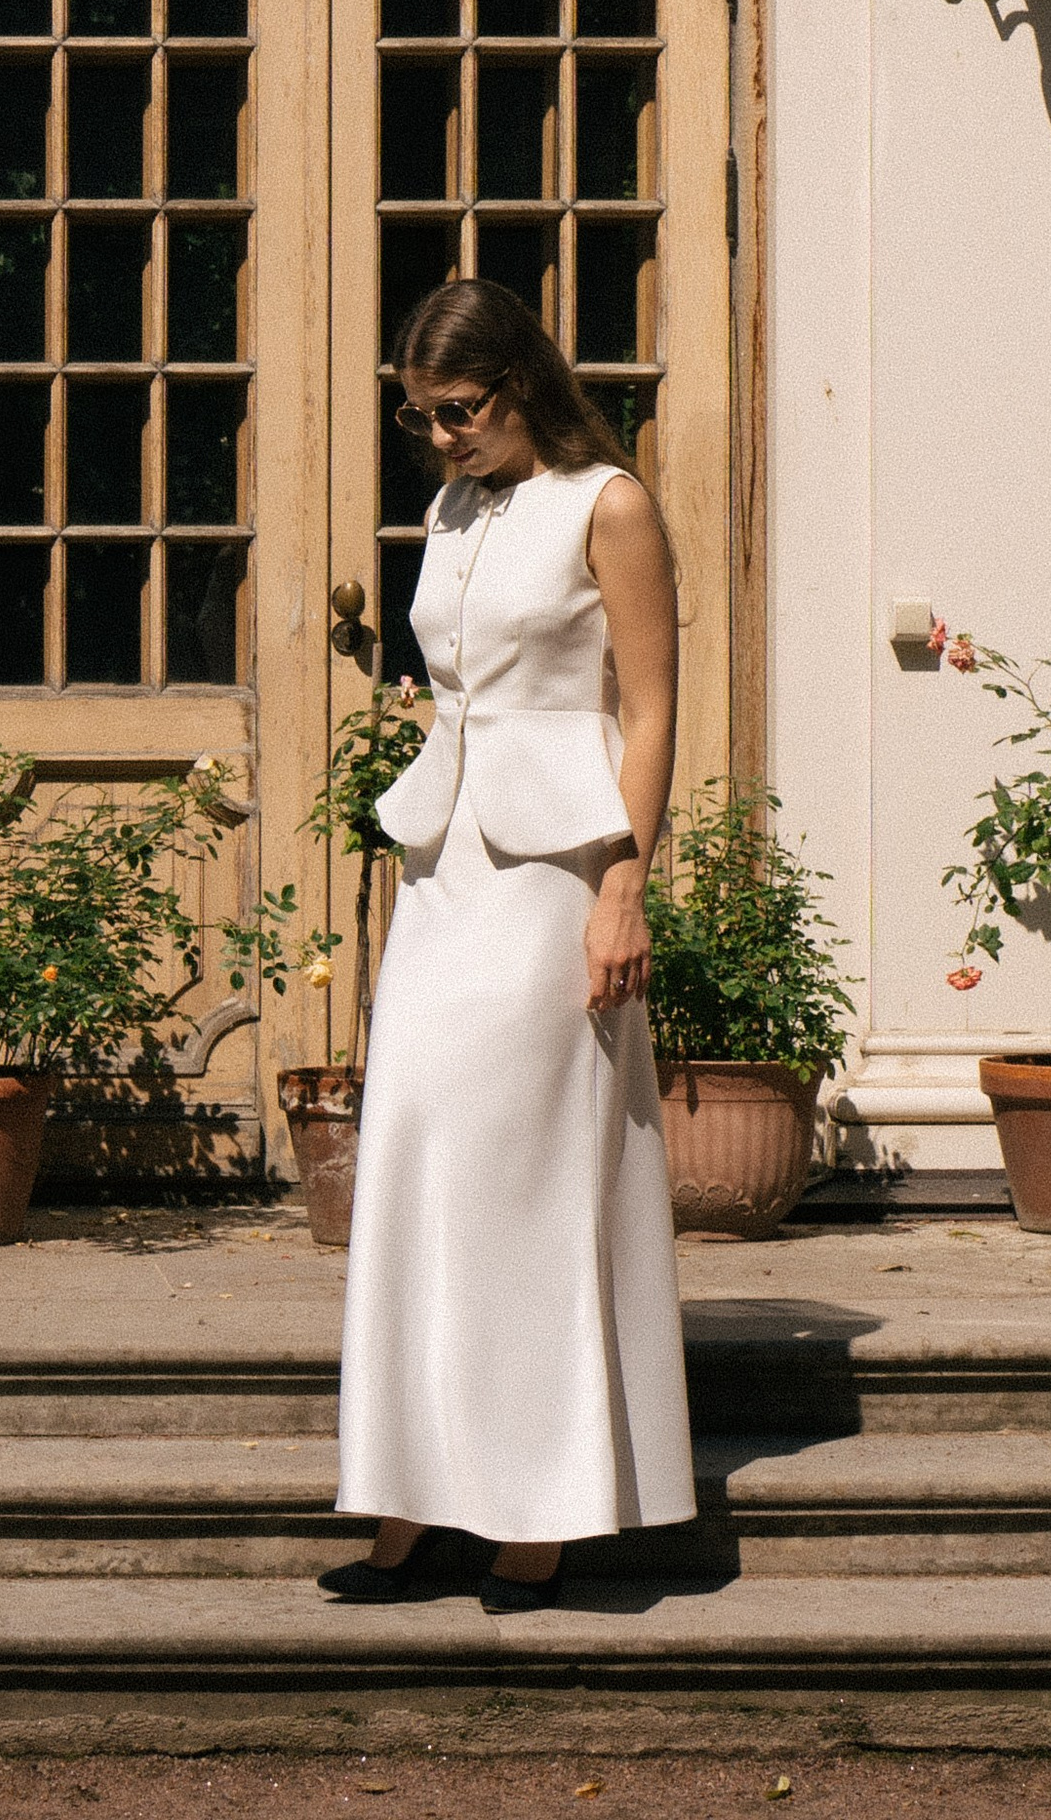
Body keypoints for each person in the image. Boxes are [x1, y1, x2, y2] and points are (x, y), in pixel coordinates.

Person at [322, 275, 694, 1613]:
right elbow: (457, 691)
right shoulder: (453, 508)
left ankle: (538, 1514)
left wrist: (624, 884)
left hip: (557, 876)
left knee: (527, 1182)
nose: (439, 437)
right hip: (447, 873)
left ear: (522, 384)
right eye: (420, 417)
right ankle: (411, 1498)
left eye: (459, 410)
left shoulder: (612, 504)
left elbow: (649, 711)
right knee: (417, 1163)